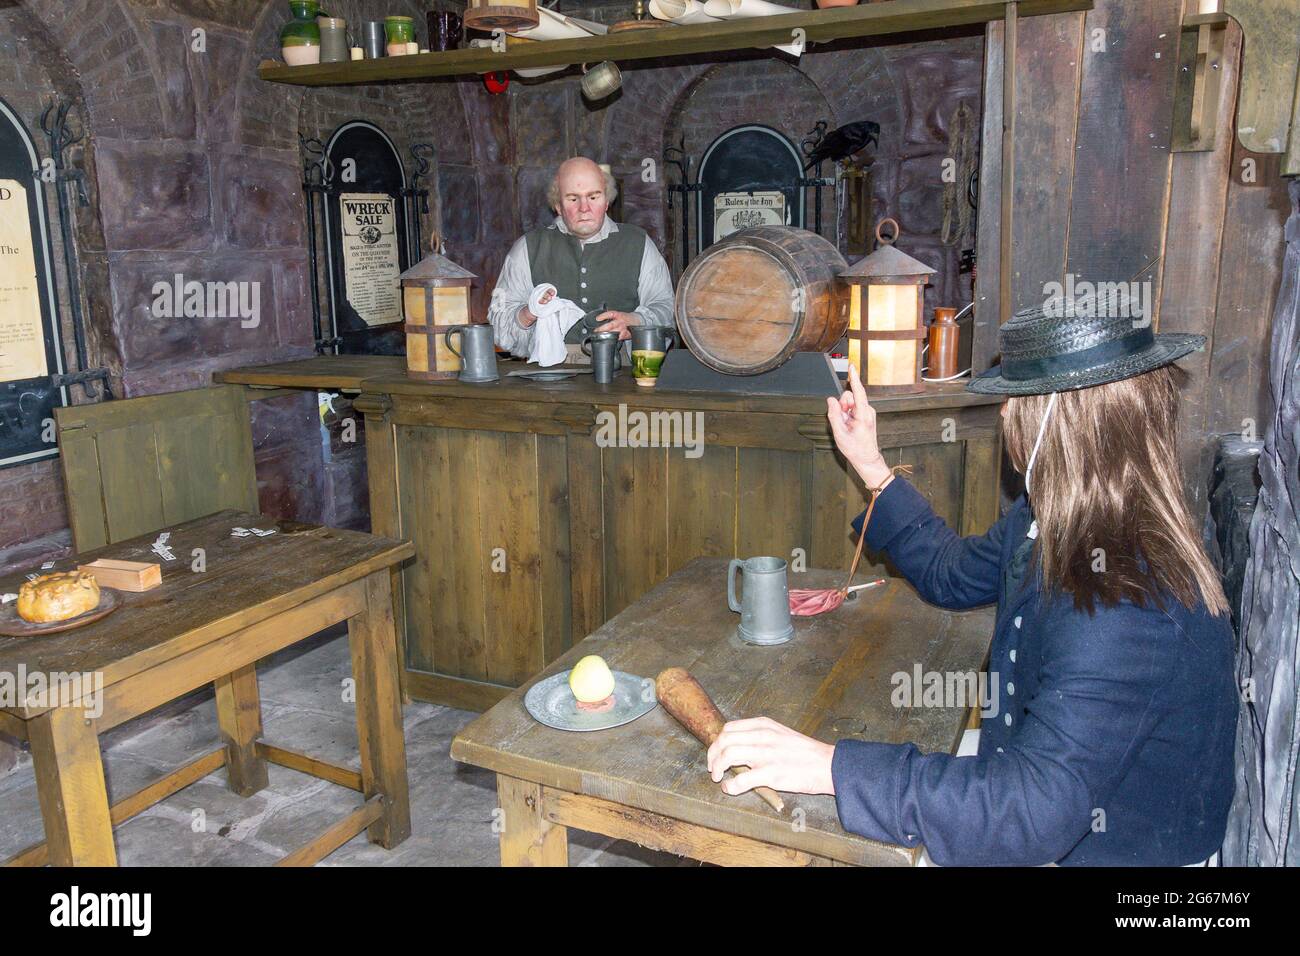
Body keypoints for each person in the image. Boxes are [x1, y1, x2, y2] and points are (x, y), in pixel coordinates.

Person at [706, 291, 1239, 866]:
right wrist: (872, 466)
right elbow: (953, 574)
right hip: (1037, 786)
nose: (1005, 413)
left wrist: (830, 767)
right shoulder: (1058, 517)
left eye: (1015, 399)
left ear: (1057, 416)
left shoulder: (1126, 596)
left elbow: (1030, 813)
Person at [487, 157, 675, 359]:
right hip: (548, 377)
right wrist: (528, 313)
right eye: (573, 199)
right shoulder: (527, 248)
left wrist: (634, 322)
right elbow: (499, 328)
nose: (584, 208)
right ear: (558, 205)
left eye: (593, 197)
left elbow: (666, 309)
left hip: (620, 374)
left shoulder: (638, 243)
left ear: (606, 202)